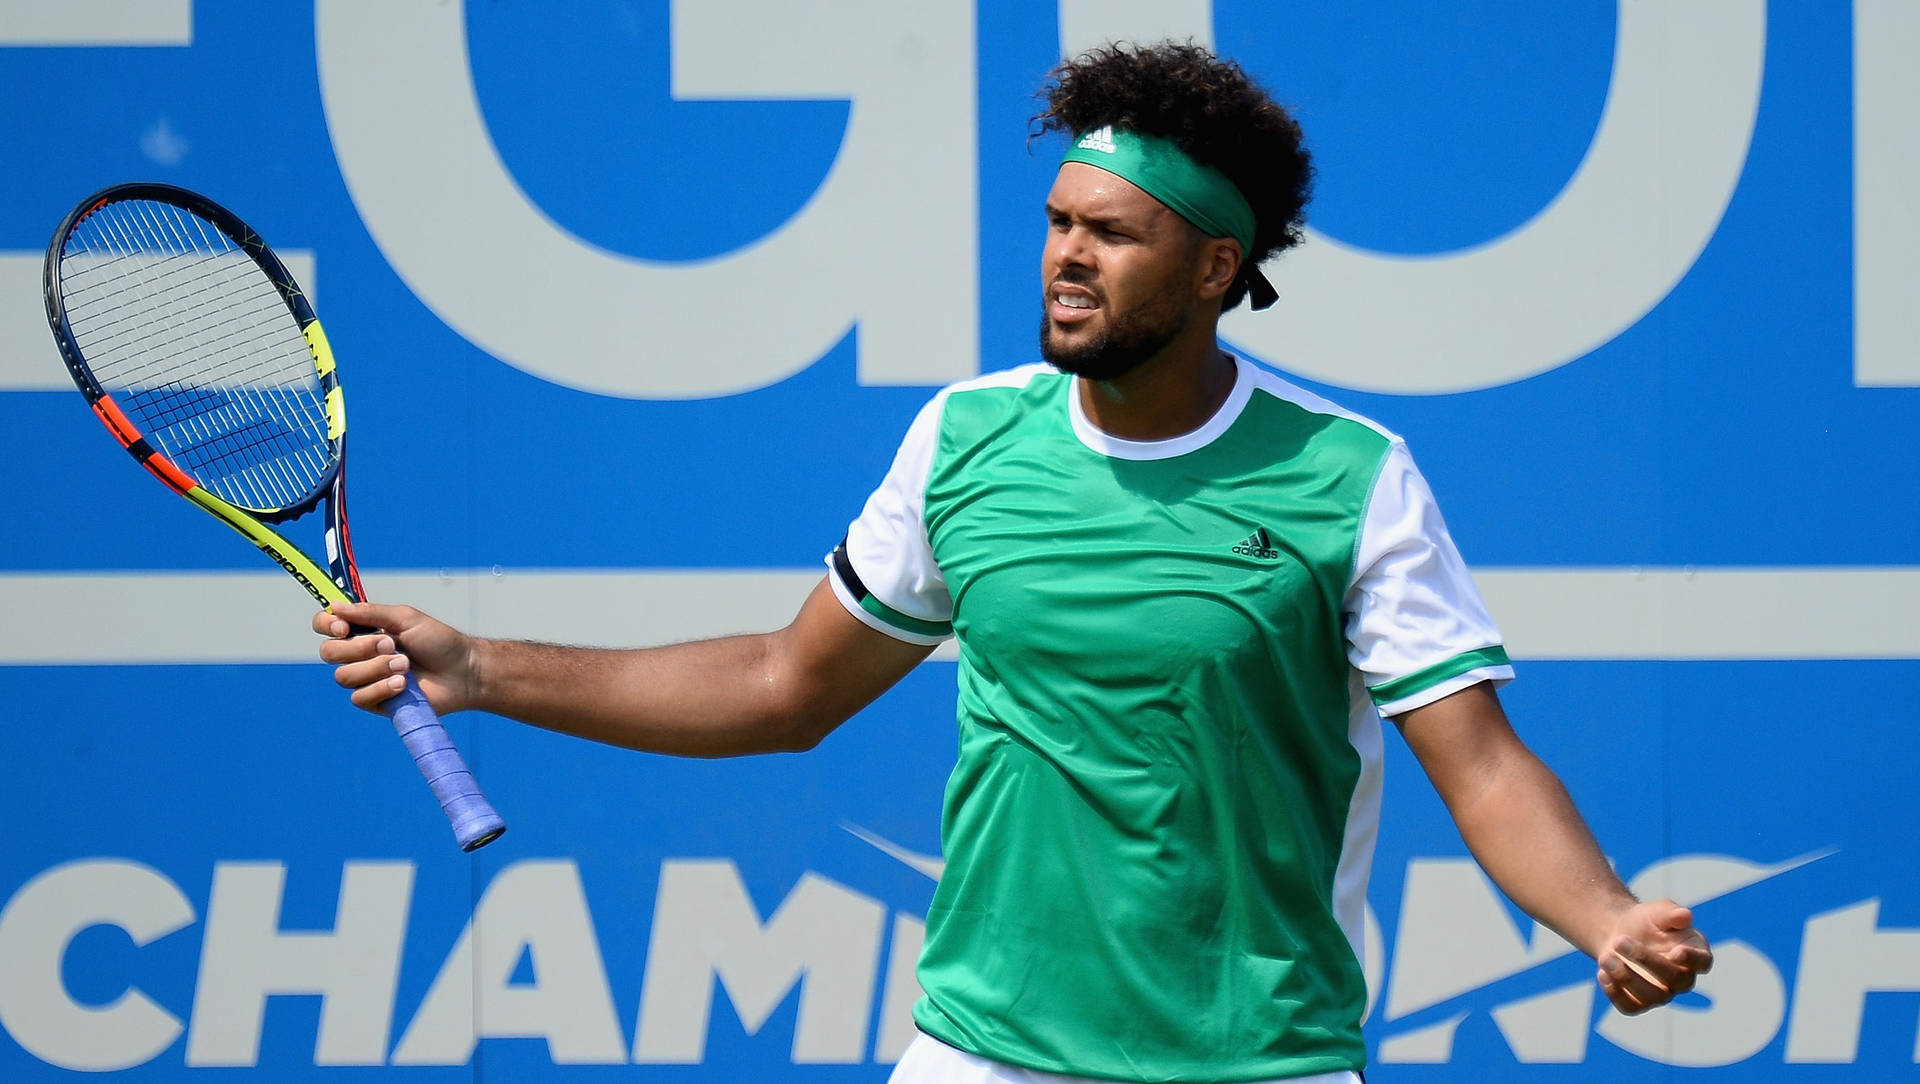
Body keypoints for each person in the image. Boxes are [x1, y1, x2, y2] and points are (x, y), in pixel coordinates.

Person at [317, 41, 1711, 1084]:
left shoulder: (1348, 479)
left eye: (1112, 233)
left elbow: (1479, 762)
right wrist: (481, 667)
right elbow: (782, 685)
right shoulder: (966, 437)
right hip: (983, 1051)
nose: (1066, 258)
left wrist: (1601, 919)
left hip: (1255, 1060)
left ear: (1217, 267)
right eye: (1058, 223)